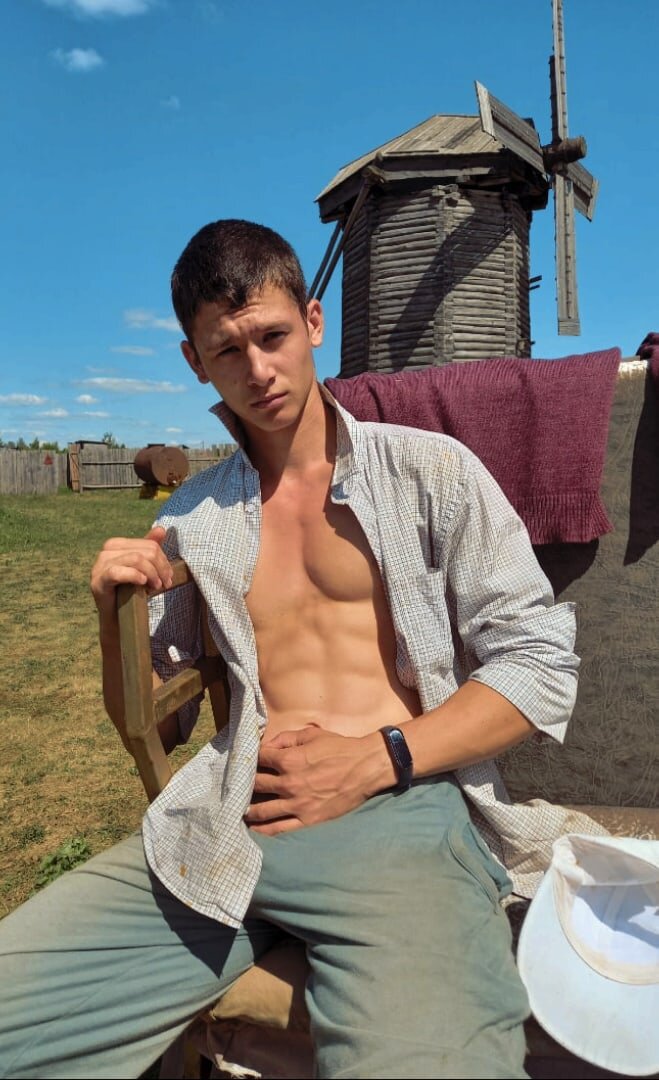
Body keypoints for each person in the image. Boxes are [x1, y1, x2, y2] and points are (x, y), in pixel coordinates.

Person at [0, 220, 603, 1080]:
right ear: (194, 362)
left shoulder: (431, 472)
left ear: (313, 322)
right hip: (223, 823)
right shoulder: (191, 517)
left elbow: (537, 662)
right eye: (227, 350)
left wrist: (378, 758)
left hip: (398, 815)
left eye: (273, 337)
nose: (257, 370)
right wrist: (112, 617)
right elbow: (160, 724)